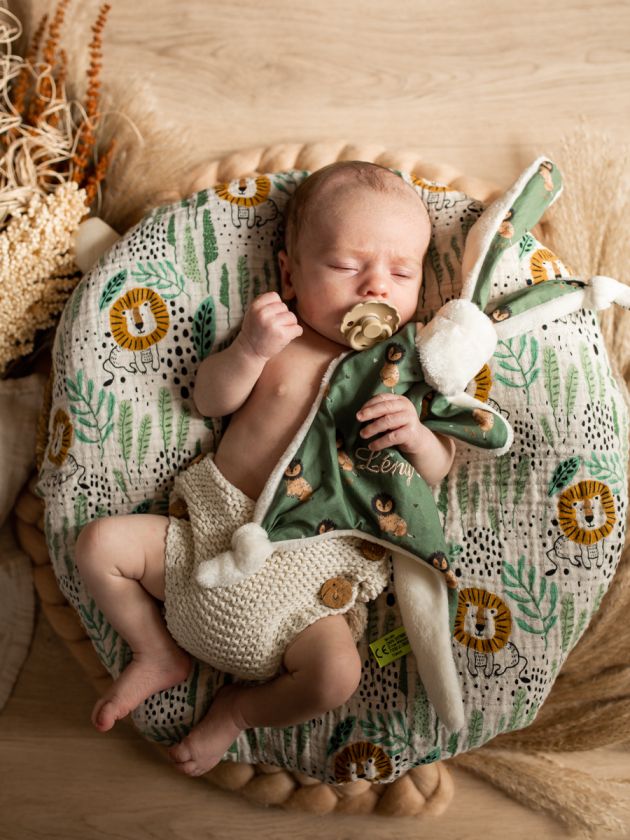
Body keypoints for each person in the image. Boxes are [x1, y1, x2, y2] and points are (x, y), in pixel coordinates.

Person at [75, 161, 456, 777]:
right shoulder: (281, 342)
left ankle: (239, 714)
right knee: (98, 545)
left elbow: (435, 472)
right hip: (205, 540)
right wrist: (249, 351)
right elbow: (208, 400)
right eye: (346, 266)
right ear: (290, 274)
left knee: (337, 677)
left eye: (402, 271)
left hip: (309, 581)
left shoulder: (400, 370)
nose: (375, 288)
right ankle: (156, 651)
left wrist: (415, 435)